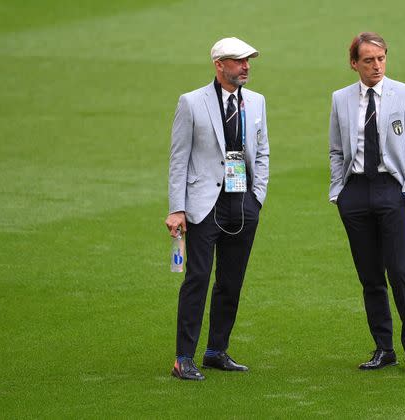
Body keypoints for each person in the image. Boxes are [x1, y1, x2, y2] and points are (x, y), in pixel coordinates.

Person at [166, 37, 269, 381]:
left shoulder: (256, 102)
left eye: (248, 60)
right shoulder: (191, 102)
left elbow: (262, 150)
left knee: (231, 281)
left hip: (241, 203)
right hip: (203, 205)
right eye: (238, 61)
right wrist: (177, 208)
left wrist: (257, 197)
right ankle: (184, 358)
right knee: (197, 279)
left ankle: (215, 351)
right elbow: (179, 158)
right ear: (219, 65)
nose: (246, 66)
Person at [328, 32, 405, 375]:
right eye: (369, 60)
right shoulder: (341, 98)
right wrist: (337, 192)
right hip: (355, 193)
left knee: (402, 273)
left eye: (381, 58)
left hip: (392, 191)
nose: (377, 66)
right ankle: (384, 349)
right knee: (370, 277)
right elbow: (336, 151)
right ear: (354, 63)